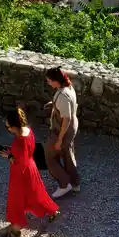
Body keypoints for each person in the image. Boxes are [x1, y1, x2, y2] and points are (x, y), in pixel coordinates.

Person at [0, 107, 59, 237]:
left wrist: (8, 155)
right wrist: (11, 152)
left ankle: (16, 228)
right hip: (31, 168)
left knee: (17, 199)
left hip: (21, 173)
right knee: (36, 194)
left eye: (8, 126)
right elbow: (24, 153)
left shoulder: (20, 140)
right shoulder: (28, 131)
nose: (7, 129)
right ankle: (52, 211)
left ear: (14, 126)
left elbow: (18, 160)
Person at [44, 67, 80, 198]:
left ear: (56, 81)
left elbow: (66, 118)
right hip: (72, 129)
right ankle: (75, 183)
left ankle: (64, 184)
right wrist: (54, 104)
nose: (48, 82)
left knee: (49, 157)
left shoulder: (63, 96)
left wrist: (59, 139)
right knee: (67, 155)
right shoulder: (68, 86)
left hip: (62, 131)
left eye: (49, 80)